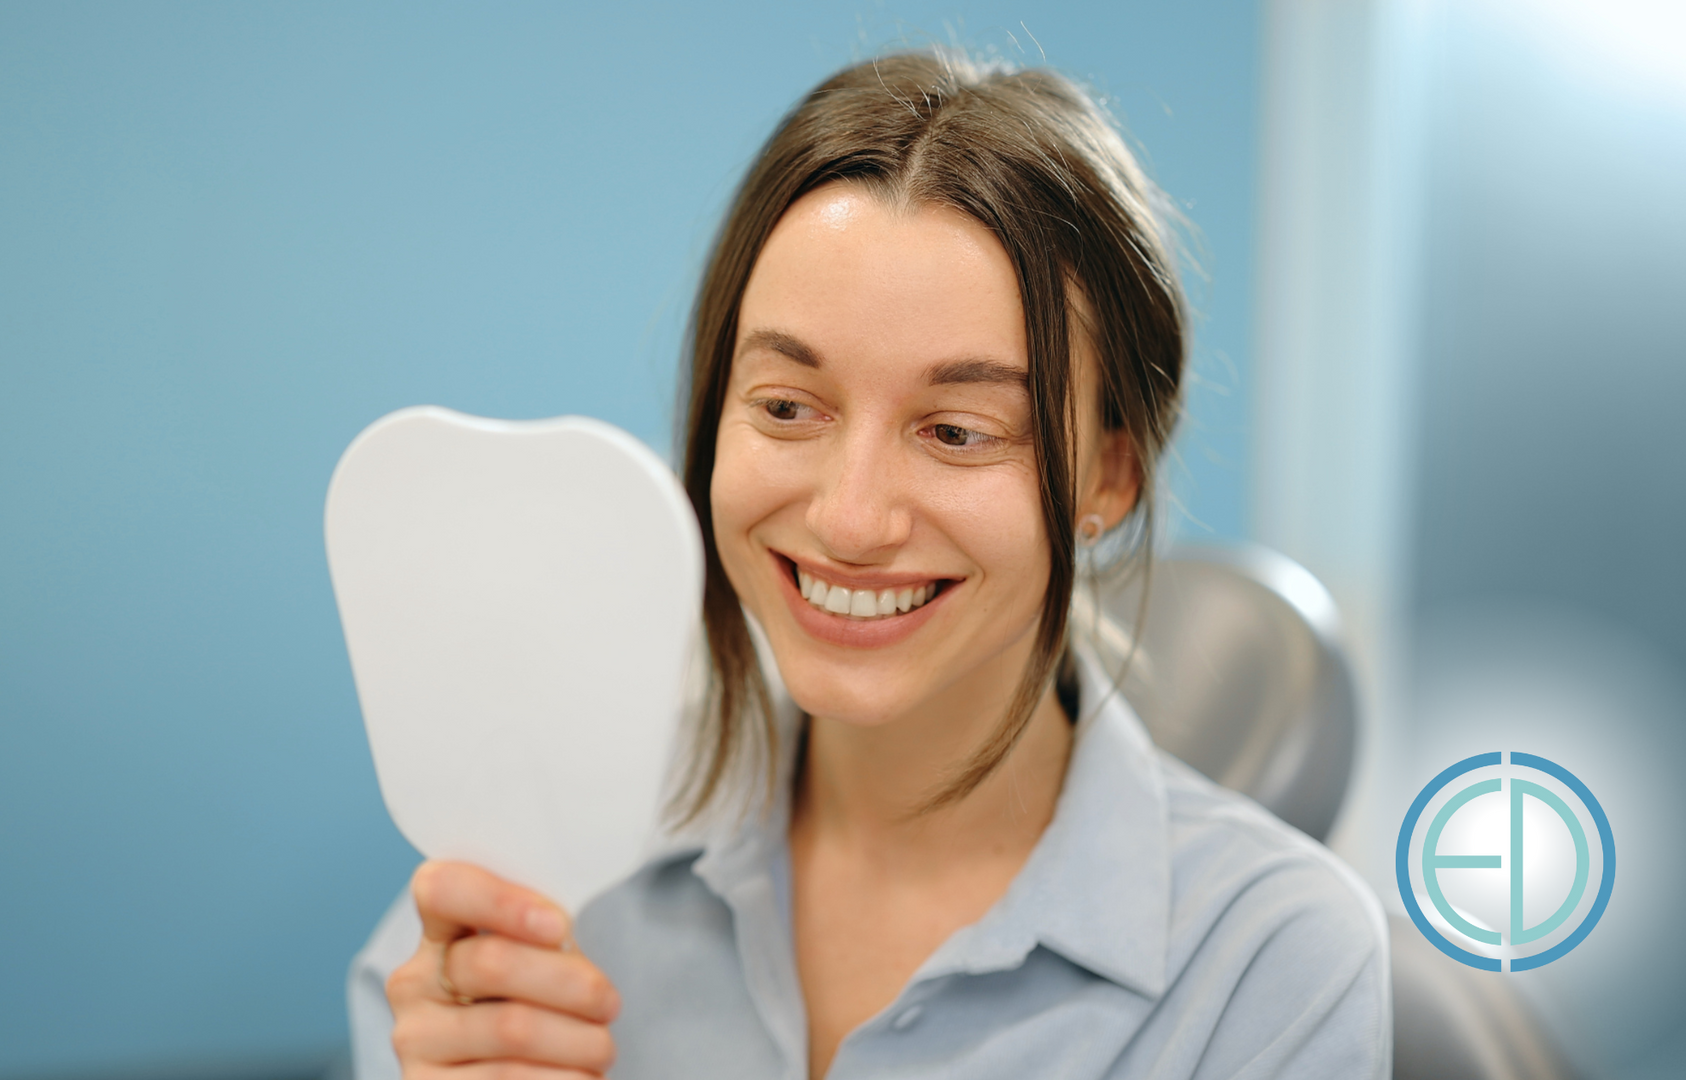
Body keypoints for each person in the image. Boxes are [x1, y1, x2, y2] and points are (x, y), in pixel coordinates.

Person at [347, 50, 1390, 1080]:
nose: (849, 519)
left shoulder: (1273, 967)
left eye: (957, 430)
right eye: (788, 408)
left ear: (1108, 478)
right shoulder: (537, 867)